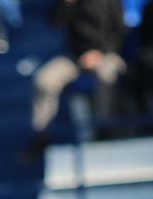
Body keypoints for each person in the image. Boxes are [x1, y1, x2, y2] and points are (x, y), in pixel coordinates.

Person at [28, 0, 127, 149]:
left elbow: (119, 31)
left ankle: (104, 131)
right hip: (74, 58)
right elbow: (54, 22)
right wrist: (66, 4)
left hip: (107, 54)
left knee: (107, 76)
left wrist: (100, 53)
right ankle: (41, 135)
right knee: (44, 80)